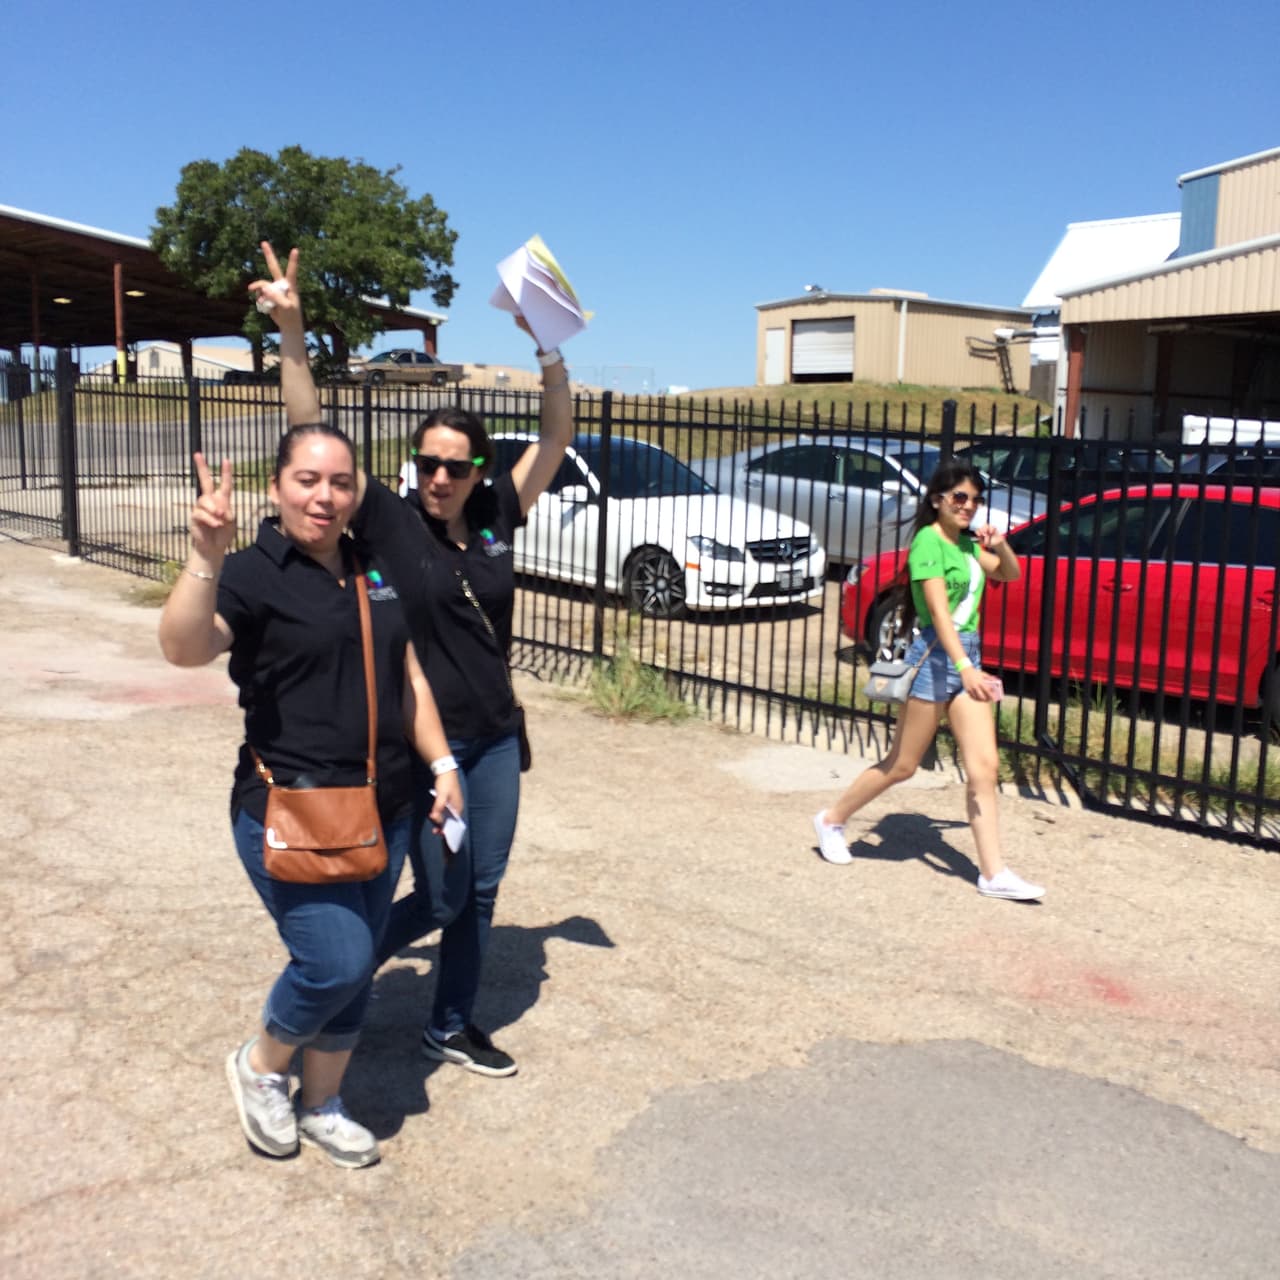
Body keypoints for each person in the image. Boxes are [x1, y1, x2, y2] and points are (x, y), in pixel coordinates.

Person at [254, 241, 575, 1077]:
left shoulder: (501, 514)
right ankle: (334, 971)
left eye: (453, 466)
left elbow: (555, 434)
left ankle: (450, 1022)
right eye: (427, 463)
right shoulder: (390, 521)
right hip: (422, 745)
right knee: (433, 894)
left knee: (476, 894)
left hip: (496, 737)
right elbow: (308, 433)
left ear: (478, 472)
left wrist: (548, 349)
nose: (438, 477)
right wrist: (292, 332)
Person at [158, 426, 463, 1168]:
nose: (323, 497)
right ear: (275, 486)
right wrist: (205, 555)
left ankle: (323, 1102)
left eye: (339, 483)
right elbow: (184, 647)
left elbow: (408, 677)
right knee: (336, 960)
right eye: (306, 480)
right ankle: (262, 1064)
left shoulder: (373, 567)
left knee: (354, 971)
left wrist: (444, 762)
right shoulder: (255, 573)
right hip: (291, 810)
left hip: (383, 807)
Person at [812, 460, 1045, 901]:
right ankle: (831, 820)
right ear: (937, 499)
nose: (968, 506)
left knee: (984, 768)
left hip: (965, 657)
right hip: (940, 660)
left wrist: (1003, 544)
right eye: (960, 497)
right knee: (902, 764)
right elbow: (938, 614)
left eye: (975, 499)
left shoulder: (967, 547)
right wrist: (965, 669)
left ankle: (993, 874)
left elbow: (1010, 574)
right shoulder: (926, 543)